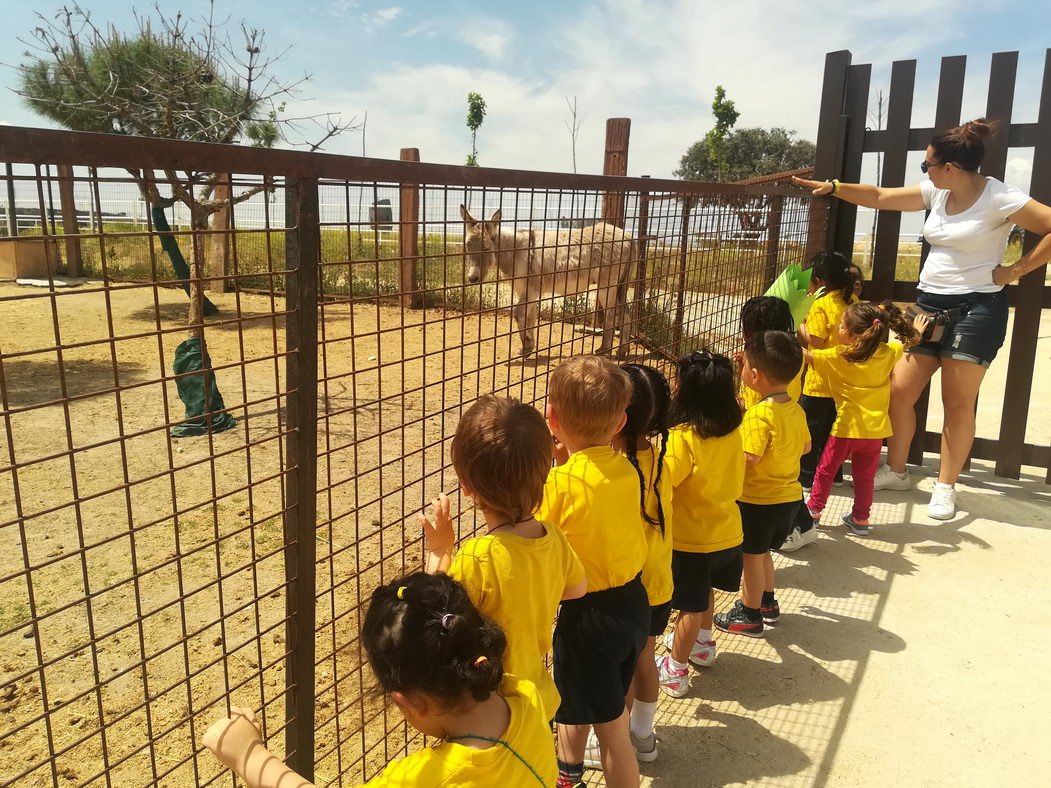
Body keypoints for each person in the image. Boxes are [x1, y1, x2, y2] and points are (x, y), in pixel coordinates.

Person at [794, 118, 1051, 519]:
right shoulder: (936, 191)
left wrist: (1013, 272)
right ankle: (897, 471)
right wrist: (836, 188)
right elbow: (880, 195)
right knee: (898, 390)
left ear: (950, 167)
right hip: (928, 305)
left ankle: (946, 486)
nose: (924, 171)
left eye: (927, 164)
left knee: (957, 402)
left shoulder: (1000, 196)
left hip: (977, 309)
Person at [203, 573, 556, 787]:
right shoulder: (525, 696)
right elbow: (446, 633)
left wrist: (247, 755)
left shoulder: (428, 778)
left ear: (408, 701)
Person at [420, 394, 587, 723]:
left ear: (467, 486)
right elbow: (577, 589)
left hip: (490, 707)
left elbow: (436, 619)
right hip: (537, 696)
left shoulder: (478, 558)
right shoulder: (553, 539)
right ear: (545, 473)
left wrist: (440, 552)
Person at [537, 355, 648, 788]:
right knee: (606, 707)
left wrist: (554, 463)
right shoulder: (627, 468)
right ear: (620, 422)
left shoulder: (560, 483)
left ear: (552, 418)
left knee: (601, 726)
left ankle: (568, 777)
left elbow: (537, 529)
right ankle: (573, 773)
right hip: (633, 605)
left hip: (588, 618)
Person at [658, 350, 745, 692]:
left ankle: (676, 669)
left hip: (691, 539)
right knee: (704, 591)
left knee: (689, 606)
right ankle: (704, 645)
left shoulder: (683, 438)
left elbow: (665, 484)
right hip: (727, 531)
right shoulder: (732, 431)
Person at [717, 332, 810, 638]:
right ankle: (767, 602)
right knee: (764, 553)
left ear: (754, 376)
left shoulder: (760, 415)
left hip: (759, 500)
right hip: (788, 498)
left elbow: (750, 458)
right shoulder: (794, 408)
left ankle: (749, 613)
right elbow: (806, 447)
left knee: (751, 559)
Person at [804, 302, 925, 535]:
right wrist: (917, 331)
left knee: (826, 471)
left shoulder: (840, 355)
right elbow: (907, 343)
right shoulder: (887, 353)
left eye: (841, 326)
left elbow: (808, 356)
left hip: (847, 428)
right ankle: (860, 519)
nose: (838, 329)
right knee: (864, 478)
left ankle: (813, 512)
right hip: (876, 431)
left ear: (851, 334)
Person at [613, 364, 673, 763]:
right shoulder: (664, 458)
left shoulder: (615, 470)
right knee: (646, 658)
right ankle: (644, 736)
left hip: (630, 587)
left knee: (622, 667)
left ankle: (612, 738)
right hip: (660, 582)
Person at [796, 251, 858, 492]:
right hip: (847, 382)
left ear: (819, 281)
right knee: (835, 430)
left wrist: (801, 322)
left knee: (812, 430)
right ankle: (835, 473)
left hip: (819, 382)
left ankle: (807, 477)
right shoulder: (853, 302)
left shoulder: (821, 304)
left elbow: (817, 341)